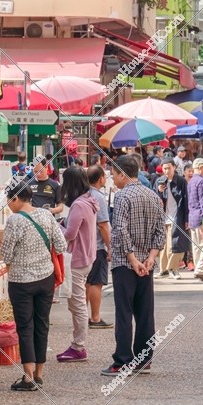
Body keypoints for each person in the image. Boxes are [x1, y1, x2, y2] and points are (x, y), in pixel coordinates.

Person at [102, 155, 165, 377]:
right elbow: (161, 230)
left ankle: (122, 360)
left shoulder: (122, 197)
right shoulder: (153, 196)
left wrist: (132, 259)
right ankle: (144, 359)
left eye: (113, 173)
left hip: (125, 263)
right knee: (145, 312)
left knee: (124, 312)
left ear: (122, 173)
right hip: (147, 263)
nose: (111, 177)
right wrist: (150, 257)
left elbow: (120, 230)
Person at [0, 183, 66, 389]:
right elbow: (62, 245)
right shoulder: (47, 215)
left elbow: (5, 254)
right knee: (42, 324)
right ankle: (39, 373)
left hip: (21, 282)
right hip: (45, 278)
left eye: (9, 201)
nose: (9, 206)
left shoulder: (14, 220)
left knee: (25, 327)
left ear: (16, 199)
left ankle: (27, 376)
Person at [57, 167, 96, 363]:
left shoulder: (79, 205)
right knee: (77, 303)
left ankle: (78, 346)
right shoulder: (88, 201)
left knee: (78, 305)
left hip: (77, 260)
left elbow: (70, 234)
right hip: (86, 257)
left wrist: (56, 227)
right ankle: (77, 345)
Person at [85, 165, 113, 329]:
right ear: (101, 178)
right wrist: (110, 247)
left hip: (86, 245)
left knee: (87, 282)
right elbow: (103, 225)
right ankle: (95, 318)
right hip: (97, 245)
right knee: (96, 282)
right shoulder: (98, 197)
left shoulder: (83, 194)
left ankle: (83, 316)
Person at [155, 160, 189, 278]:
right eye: (164, 168)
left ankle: (173, 268)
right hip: (163, 217)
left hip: (177, 216)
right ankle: (163, 269)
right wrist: (159, 191)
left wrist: (186, 219)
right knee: (163, 245)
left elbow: (186, 200)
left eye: (169, 168)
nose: (167, 171)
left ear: (174, 167)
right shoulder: (159, 181)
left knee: (175, 244)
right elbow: (154, 199)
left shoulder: (181, 181)